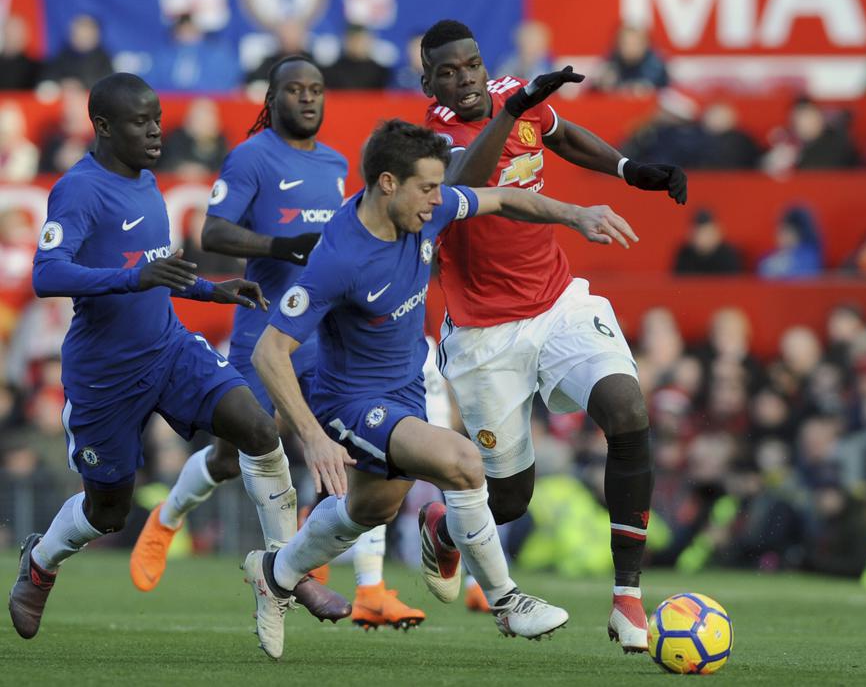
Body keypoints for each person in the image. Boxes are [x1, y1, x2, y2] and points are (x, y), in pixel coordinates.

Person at [244, 119, 634, 659]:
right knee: (463, 462)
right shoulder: (340, 259)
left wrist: (576, 215)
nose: (437, 199)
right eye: (426, 187)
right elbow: (269, 352)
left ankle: (275, 572)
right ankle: (507, 600)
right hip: (352, 404)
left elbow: (499, 197)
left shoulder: (430, 208)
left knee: (371, 510)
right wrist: (312, 438)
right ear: (387, 183)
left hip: (404, 391)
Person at [7, 73, 345, 639]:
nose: (157, 130)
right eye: (141, 122)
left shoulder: (145, 179)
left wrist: (213, 289)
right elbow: (48, 273)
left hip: (169, 347)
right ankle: (40, 563)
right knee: (107, 512)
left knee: (258, 430)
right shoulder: (79, 189)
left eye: (158, 118)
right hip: (106, 372)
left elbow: (156, 270)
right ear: (105, 127)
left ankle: (287, 569)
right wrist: (135, 276)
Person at [419, 19, 686, 652]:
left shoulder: (517, 95)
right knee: (509, 499)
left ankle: (627, 599)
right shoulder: (425, 137)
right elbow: (465, 182)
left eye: (472, 65)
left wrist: (628, 168)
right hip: (485, 332)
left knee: (627, 409)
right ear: (427, 80)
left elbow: (561, 135)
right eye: (447, 72)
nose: (464, 80)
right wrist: (512, 109)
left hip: (558, 302)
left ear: (485, 64)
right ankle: (443, 530)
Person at [129, 56, 418, 629]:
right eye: (294, 90)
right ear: (272, 98)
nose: (308, 99)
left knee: (367, 451)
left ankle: (369, 586)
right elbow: (212, 231)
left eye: (316, 90)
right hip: (265, 332)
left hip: (327, 337)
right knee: (232, 455)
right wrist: (281, 246)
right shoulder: (252, 156)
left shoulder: (339, 164)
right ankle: (168, 516)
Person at [673, 210, 742, 275]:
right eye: (699, 233)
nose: (703, 238)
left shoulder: (728, 255)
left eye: (707, 232)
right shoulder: (684, 255)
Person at [322, 24, 390, 90]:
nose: (357, 44)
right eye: (353, 39)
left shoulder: (380, 73)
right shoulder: (332, 72)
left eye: (360, 39)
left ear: (370, 40)